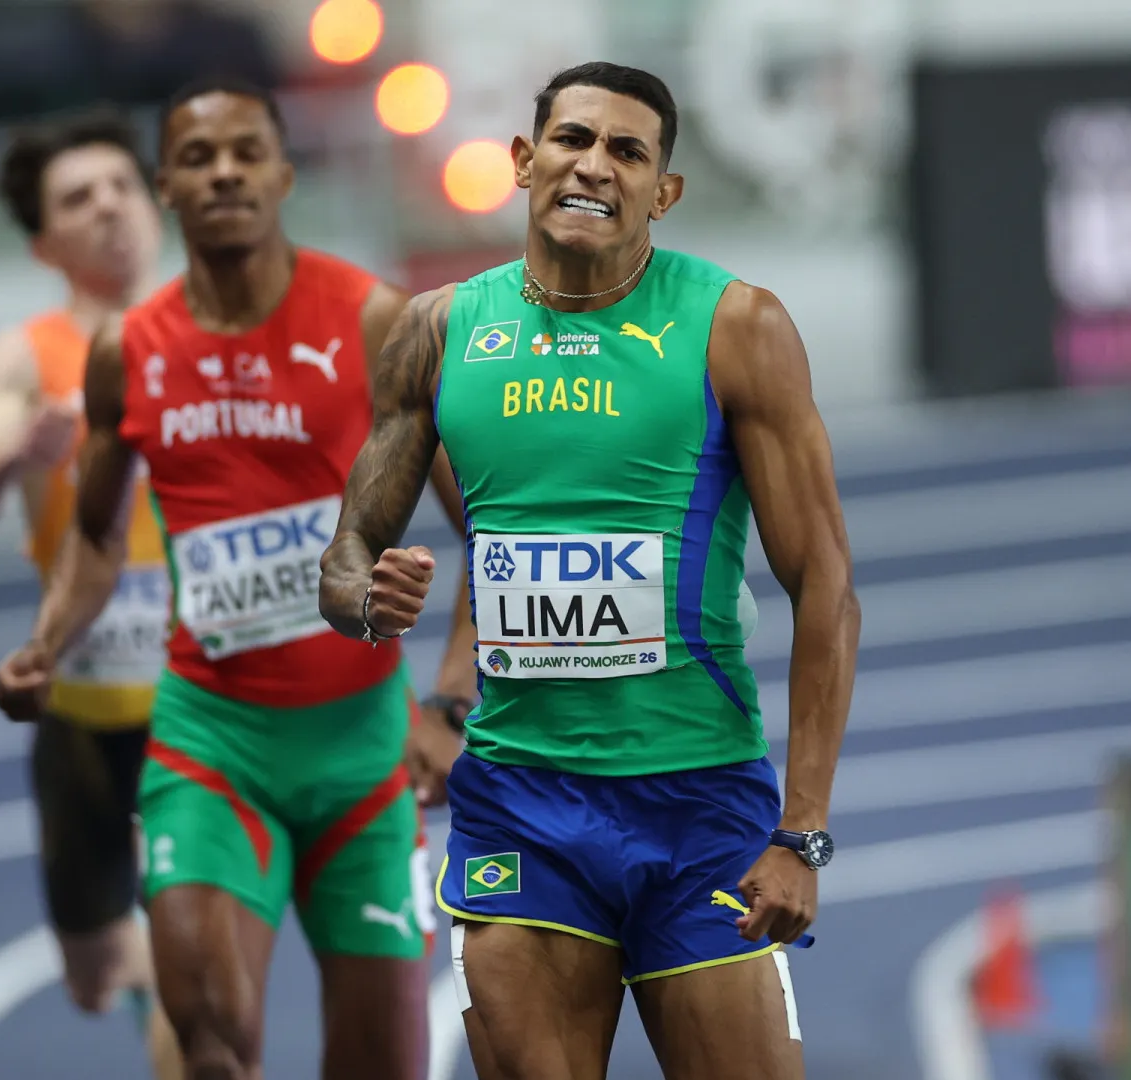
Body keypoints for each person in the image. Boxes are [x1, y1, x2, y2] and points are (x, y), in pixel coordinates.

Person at [320, 61, 862, 1079]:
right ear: (523, 162)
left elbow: (824, 584)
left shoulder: (736, 327)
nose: (594, 166)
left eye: (628, 151)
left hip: (699, 805)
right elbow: (348, 559)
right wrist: (365, 605)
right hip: (522, 802)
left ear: (665, 193)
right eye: (573, 140)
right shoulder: (437, 334)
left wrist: (804, 830)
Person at [0, 77, 478, 1080]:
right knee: (210, 1040)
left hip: (362, 756)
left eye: (246, 154)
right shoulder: (127, 351)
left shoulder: (374, 317)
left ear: (284, 174)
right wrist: (48, 640)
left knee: (386, 1062)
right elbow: (91, 534)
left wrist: (451, 707)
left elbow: (488, 522)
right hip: (212, 748)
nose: (223, 175)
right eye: (198, 159)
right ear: (167, 184)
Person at [0, 106, 183, 1077]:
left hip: (198, 705)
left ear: (155, 200)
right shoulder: (26, 357)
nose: (109, 208)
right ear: (45, 242)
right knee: (97, 971)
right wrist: (15, 454)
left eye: (122, 184)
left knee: (186, 952)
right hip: (82, 708)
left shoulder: (208, 325)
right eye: (80, 198)